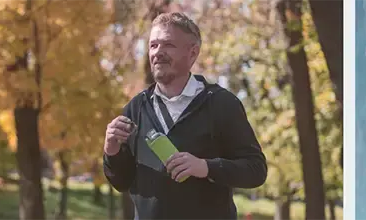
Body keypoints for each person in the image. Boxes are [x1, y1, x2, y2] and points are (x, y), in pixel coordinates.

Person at [102, 12, 267, 219]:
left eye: (168, 45)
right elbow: (121, 182)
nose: (158, 52)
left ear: (193, 53)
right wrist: (112, 150)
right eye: (153, 45)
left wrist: (206, 167)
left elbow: (256, 170)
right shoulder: (136, 108)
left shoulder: (221, 103)